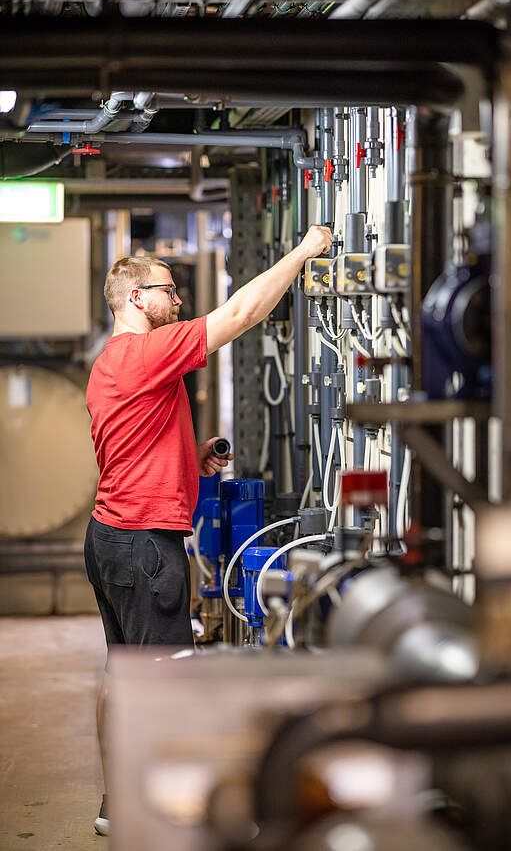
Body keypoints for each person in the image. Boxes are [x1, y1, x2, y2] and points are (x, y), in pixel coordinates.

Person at [84, 223, 332, 836]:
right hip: (145, 545)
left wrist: (196, 460)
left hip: (111, 536)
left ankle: (118, 800)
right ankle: (162, 810)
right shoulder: (145, 352)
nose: (177, 300)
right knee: (165, 677)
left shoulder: (110, 366)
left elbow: (130, 449)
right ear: (136, 298)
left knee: (126, 673)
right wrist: (304, 252)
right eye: (168, 290)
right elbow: (242, 312)